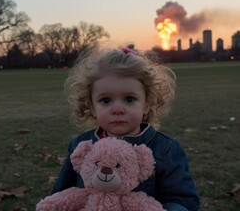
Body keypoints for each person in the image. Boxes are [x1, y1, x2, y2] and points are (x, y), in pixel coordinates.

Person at [52, 46, 200, 211]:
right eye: (106, 100)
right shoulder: (80, 146)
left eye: (129, 99)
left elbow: (183, 200)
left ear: (147, 104)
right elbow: (61, 194)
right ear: (92, 106)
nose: (118, 109)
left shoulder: (165, 149)